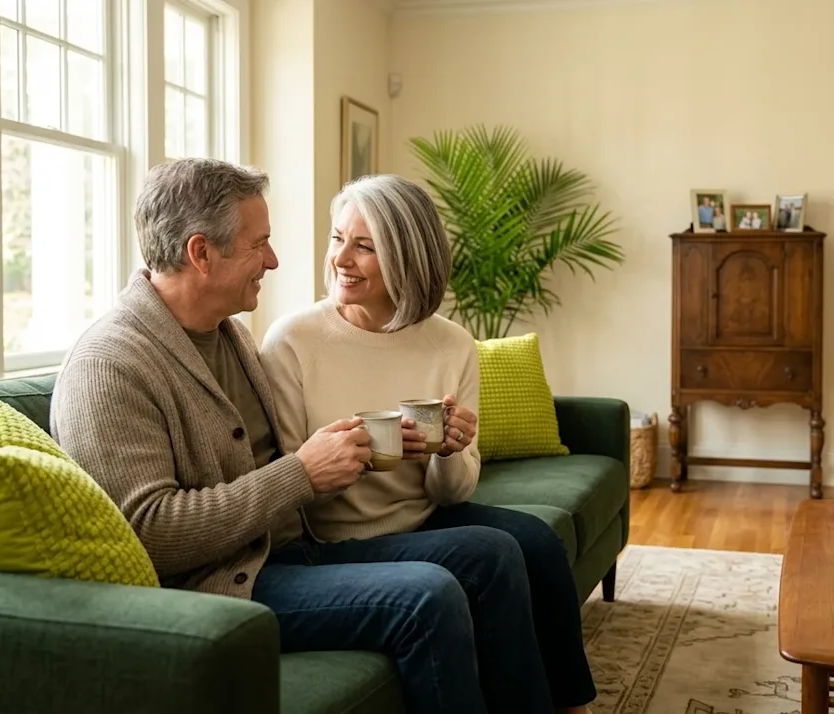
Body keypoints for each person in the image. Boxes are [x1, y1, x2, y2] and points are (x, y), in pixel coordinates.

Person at [50, 158, 535, 714]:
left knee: (491, 553)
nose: (274, 260)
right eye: (259, 244)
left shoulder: (229, 336)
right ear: (201, 253)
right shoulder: (109, 366)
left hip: (292, 550)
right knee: (427, 597)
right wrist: (302, 472)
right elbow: (149, 533)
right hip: (226, 581)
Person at [259, 174, 598, 714]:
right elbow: (297, 490)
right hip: (332, 536)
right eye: (337, 238)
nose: (340, 258)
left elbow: (453, 494)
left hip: (424, 517)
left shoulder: (451, 344)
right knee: (491, 553)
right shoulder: (292, 342)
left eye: (364, 246)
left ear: (407, 258)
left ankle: (571, 705)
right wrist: (357, 457)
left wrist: (449, 451)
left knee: (537, 540)